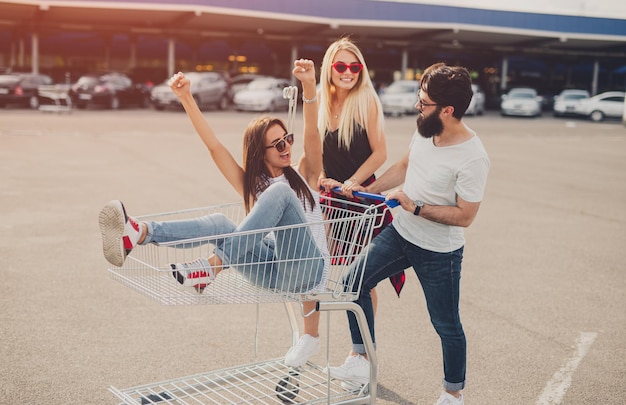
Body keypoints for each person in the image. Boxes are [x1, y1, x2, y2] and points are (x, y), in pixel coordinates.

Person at [98, 59, 327, 368]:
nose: (286, 146)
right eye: (276, 144)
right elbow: (215, 147)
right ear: (261, 152)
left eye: (287, 139)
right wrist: (186, 99)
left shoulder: (305, 175)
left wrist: (309, 85)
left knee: (282, 192)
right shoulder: (254, 186)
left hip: (308, 269)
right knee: (221, 222)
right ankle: (138, 232)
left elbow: (312, 133)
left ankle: (212, 267)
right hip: (272, 272)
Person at [325, 62, 490, 405]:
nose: (417, 105)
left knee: (446, 324)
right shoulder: (427, 130)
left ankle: (453, 393)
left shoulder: (473, 157)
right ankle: (361, 360)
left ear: (447, 110)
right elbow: (404, 166)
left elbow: (466, 216)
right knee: (352, 284)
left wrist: (415, 207)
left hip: (439, 251)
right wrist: (359, 185)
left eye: (424, 102)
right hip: (401, 234)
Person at [316, 37, 403, 305]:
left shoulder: (366, 99)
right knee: (315, 263)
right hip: (329, 196)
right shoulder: (320, 98)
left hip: (360, 197)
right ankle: (311, 334)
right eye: (341, 66)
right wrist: (320, 176)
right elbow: (314, 147)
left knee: (359, 278)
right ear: (329, 67)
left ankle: (362, 346)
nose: (348, 73)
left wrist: (352, 182)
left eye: (355, 68)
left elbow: (381, 153)